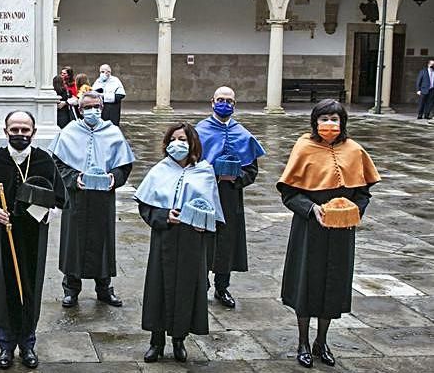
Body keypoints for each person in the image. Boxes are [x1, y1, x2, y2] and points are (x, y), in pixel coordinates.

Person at [277, 99, 379, 369]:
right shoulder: (304, 147)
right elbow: (289, 194)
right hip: (310, 229)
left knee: (332, 285)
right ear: (315, 122)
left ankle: (322, 341)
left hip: (341, 230)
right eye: (324, 119)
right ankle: (303, 342)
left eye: (335, 119)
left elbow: (363, 193)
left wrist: (352, 210)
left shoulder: (355, 150)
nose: (329, 124)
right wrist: (312, 209)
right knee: (306, 283)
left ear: (343, 122)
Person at [0, 111, 68, 370]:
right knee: (5, 287)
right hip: (3, 235)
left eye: (24, 129)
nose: (19, 134)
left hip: (34, 235)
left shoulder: (44, 160)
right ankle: (6, 346)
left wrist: (42, 211)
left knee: (30, 286)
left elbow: (60, 200)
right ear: (5, 130)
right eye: (15, 129)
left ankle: (28, 344)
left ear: (33, 131)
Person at [133, 123, 224, 363]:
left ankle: (179, 340)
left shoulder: (204, 171)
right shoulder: (159, 170)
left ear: (192, 142)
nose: (177, 143)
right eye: (173, 139)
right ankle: (156, 341)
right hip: (165, 238)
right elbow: (145, 206)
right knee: (158, 288)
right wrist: (165, 216)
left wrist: (204, 224)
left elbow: (213, 211)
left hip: (193, 240)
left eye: (182, 139)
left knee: (186, 290)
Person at [49, 91, 134, 308]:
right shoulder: (68, 132)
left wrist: (113, 178)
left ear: (102, 108)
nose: (92, 110)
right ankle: (71, 289)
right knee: (73, 242)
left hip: (102, 198)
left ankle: (104, 289)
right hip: (77, 196)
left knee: (103, 242)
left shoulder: (113, 132)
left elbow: (124, 165)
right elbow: (57, 164)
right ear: (80, 110)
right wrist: (73, 179)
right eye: (88, 107)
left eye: (96, 106)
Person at [195, 86, 266, 308]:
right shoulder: (200, 131)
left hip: (230, 196)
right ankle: (201, 283)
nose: (224, 104)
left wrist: (235, 179)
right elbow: (190, 164)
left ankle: (222, 287)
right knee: (204, 237)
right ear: (212, 101)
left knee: (227, 241)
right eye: (220, 99)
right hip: (205, 194)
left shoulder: (243, 134)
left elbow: (252, 171)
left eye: (229, 100)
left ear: (234, 104)